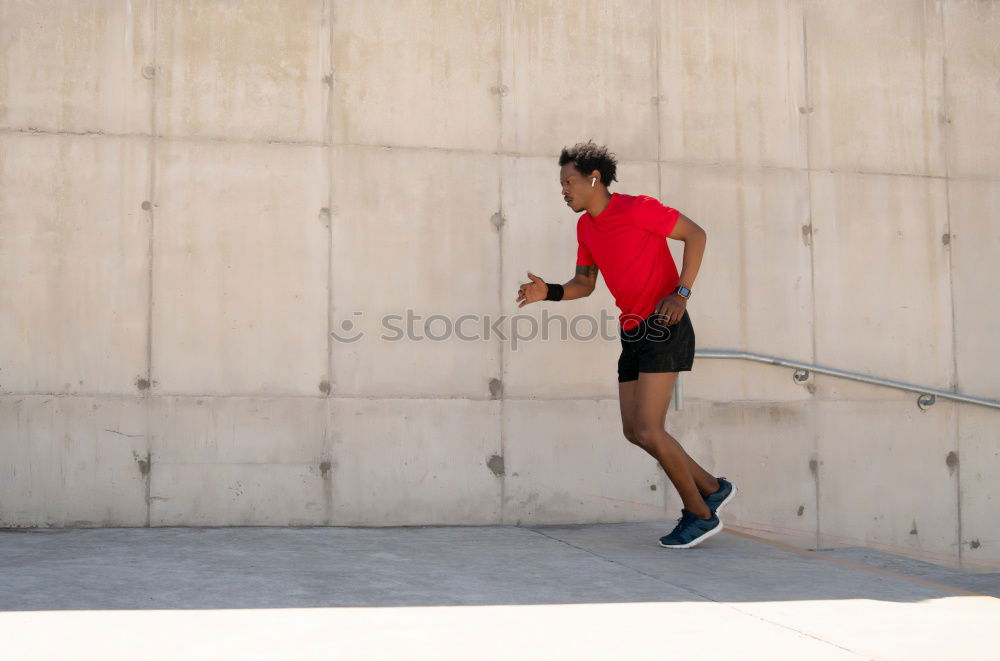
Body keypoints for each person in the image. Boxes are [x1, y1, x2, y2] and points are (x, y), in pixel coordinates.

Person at [515, 141, 737, 549]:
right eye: (561, 183)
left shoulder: (637, 209)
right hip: (632, 332)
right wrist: (547, 292)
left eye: (569, 182)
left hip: (665, 324)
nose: (563, 190)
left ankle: (700, 514)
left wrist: (682, 293)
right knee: (634, 431)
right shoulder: (585, 228)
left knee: (651, 429)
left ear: (593, 179)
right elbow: (584, 283)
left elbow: (696, 235)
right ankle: (711, 487)